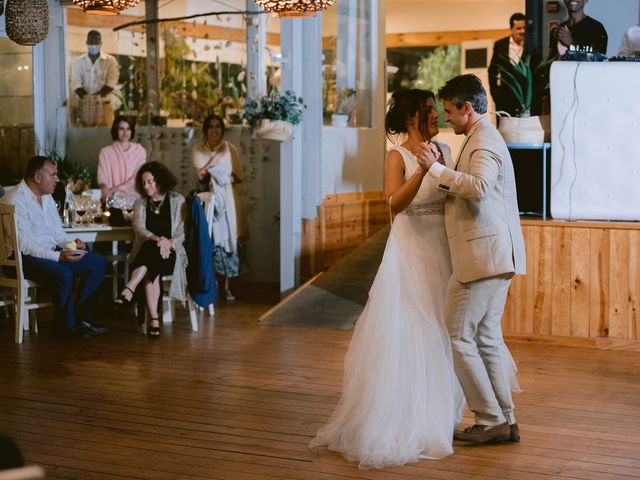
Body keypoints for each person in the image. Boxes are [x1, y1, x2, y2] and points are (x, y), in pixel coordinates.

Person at [310, 89, 465, 468]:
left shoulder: (443, 150)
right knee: (414, 325)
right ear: (413, 116)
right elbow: (393, 204)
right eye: (430, 111)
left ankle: (441, 413)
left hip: (441, 247)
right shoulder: (396, 156)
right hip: (411, 245)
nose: (437, 118)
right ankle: (409, 415)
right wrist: (424, 172)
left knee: (442, 327)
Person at [418, 74, 526, 445]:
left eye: (449, 111)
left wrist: (435, 170)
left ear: (468, 108)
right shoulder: (482, 137)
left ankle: (489, 417)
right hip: (494, 254)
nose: (447, 119)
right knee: (487, 337)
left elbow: (478, 188)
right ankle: (505, 418)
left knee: (458, 335)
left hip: (482, 256)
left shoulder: (484, 141)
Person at [2, 156, 107, 340]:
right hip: (20, 259)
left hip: (47, 253)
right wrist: (59, 257)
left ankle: (82, 319)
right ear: (37, 177)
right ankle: (66, 328)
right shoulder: (15, 199)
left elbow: (58, 234)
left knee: (96, 262)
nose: (57, 179)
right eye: (53, 175)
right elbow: (25, 245)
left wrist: (73, 245)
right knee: (63, 273)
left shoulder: (47, 197)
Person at [114, 162, 187, 338]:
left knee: (150, 255)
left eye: (150, 182)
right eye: (143, 182)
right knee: (150, 251)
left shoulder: (178, 200)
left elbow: (183, 231)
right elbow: (139, 228)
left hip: (172, 254)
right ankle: (154, 319)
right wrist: (157, 240)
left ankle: (130, 287)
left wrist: (168, 243)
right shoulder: (140, 202)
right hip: (152, 253)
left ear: (160, 181)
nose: (146, 186)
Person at [192, 114, 242, 301]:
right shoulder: (198, 149)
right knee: (208, 243)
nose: (215, 130)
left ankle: (228, 287)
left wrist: (225, 178)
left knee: (227, 243)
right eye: (211, 126)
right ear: (206, 130)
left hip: (227, 202)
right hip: (206, 202)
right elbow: (201, 175)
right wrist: (216, 158)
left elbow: (238, 176)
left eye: (218, 126)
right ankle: (208, 286)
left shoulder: (231, 149)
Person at [488, 13, 540, 116]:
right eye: (518, 28)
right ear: (511, 29)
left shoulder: (532, 45)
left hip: (526, 100)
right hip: (504, 99)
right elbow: (492, 71)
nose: (522, 31)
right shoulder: (500, 45)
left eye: (524, 28)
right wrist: (495, 94)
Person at [72, 30, 119, 127]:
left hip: (105, 105)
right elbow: (76, 84)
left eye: (96, 41)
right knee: (86, 138)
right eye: (91, 41)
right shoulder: (78, 62)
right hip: (85, 108)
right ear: (86, 43)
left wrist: (95, 97)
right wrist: (89, 99)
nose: (93, 44)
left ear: (101, 43)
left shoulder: (110, 61)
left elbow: (111, 82)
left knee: (107, 136)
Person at [97, 115, 146, 201]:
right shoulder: (106, 152)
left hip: (134, 199)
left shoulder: (139, 151)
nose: (125, 132)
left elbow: (137, 177)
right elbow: (102, 177)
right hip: (112, 199)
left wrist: (115, 190)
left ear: (132, 131)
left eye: (128, 129)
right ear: (116, 130)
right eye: (121, 129)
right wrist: (104, 188)